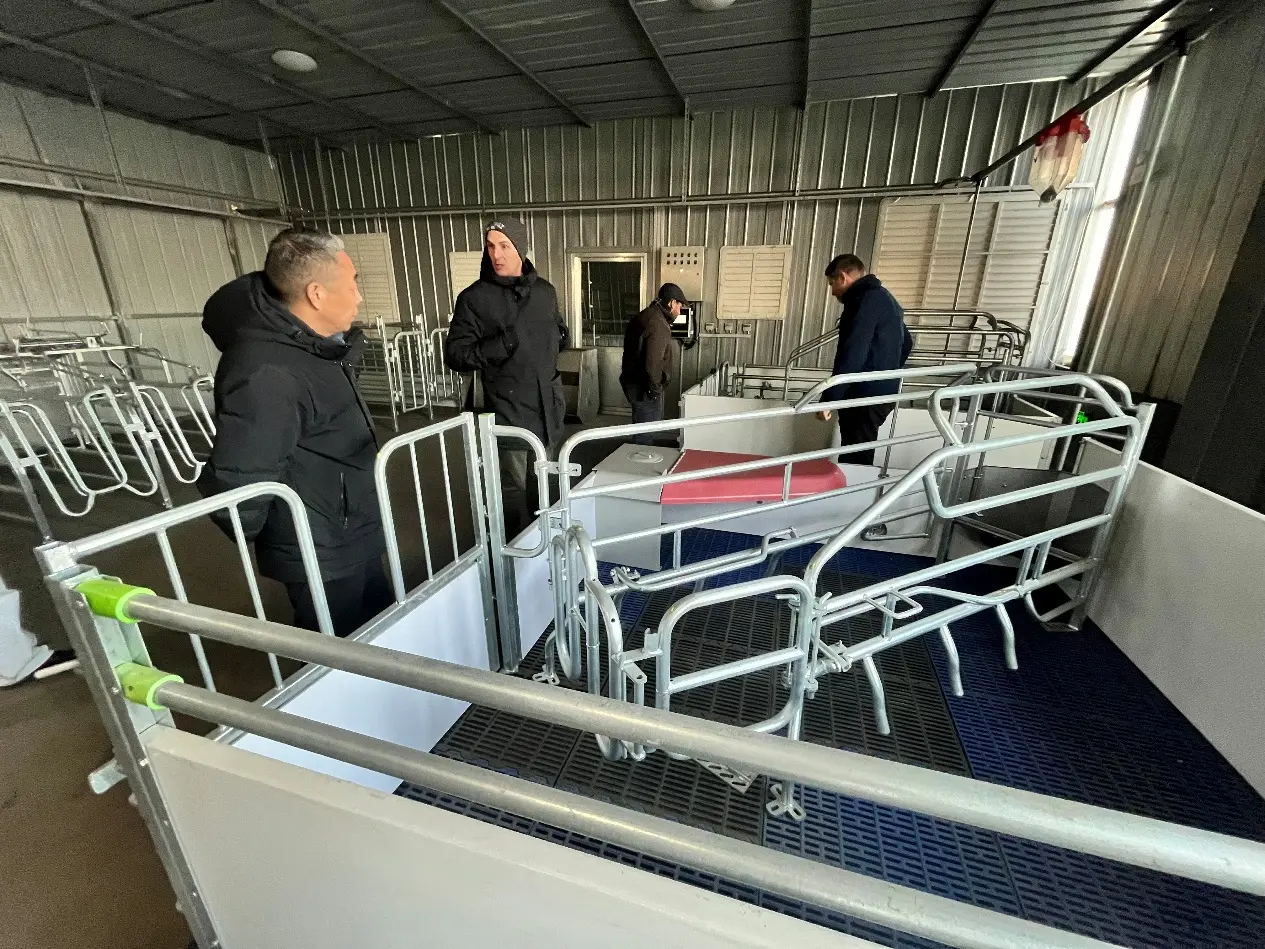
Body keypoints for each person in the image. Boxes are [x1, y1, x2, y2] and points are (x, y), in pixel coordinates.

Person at [198, 228, 391, 637]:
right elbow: (241, 476)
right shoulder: (268, 371)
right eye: (352, 284)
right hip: (319, 545)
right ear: (317, 294)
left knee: (380, 631)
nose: (358, 297)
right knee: (337, 652)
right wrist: (280, 539)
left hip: (348, 526)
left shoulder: (317, 348)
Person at [444, 217, 569, 539]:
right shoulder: (474, 298)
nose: (496, 254)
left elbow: (556, 328)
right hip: (507, 413)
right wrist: (502, 345)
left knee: (544, 486)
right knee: (510, 494)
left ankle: (544, 547)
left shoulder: (545, 292)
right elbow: (456, 355)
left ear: (520, 249)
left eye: (504, 246)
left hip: (547, 410)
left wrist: (560, 336)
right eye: (490, 246)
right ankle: (513, 554)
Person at [816, 254, 913, 465]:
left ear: (843, 277)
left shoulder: (862, 302)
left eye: (832, 284)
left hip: (863, 393)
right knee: (859, 450)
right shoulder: (886, 298)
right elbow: (907, 343)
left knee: (855, 457)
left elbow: (852, 353)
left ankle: (855, 487)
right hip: (883, 392)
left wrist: (830, 399)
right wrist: (888, 372)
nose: (832, 292)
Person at [620, 282, 684, 443]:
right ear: (672, 303)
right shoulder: (659, 323)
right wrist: (655, 390)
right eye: (679, 305)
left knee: (641, 426)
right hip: (645, 388)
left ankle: (639, 449)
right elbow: (653, 363)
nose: (679, 311)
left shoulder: (646, 315)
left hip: (634, 382)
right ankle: (641, 455)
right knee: (646, 433)